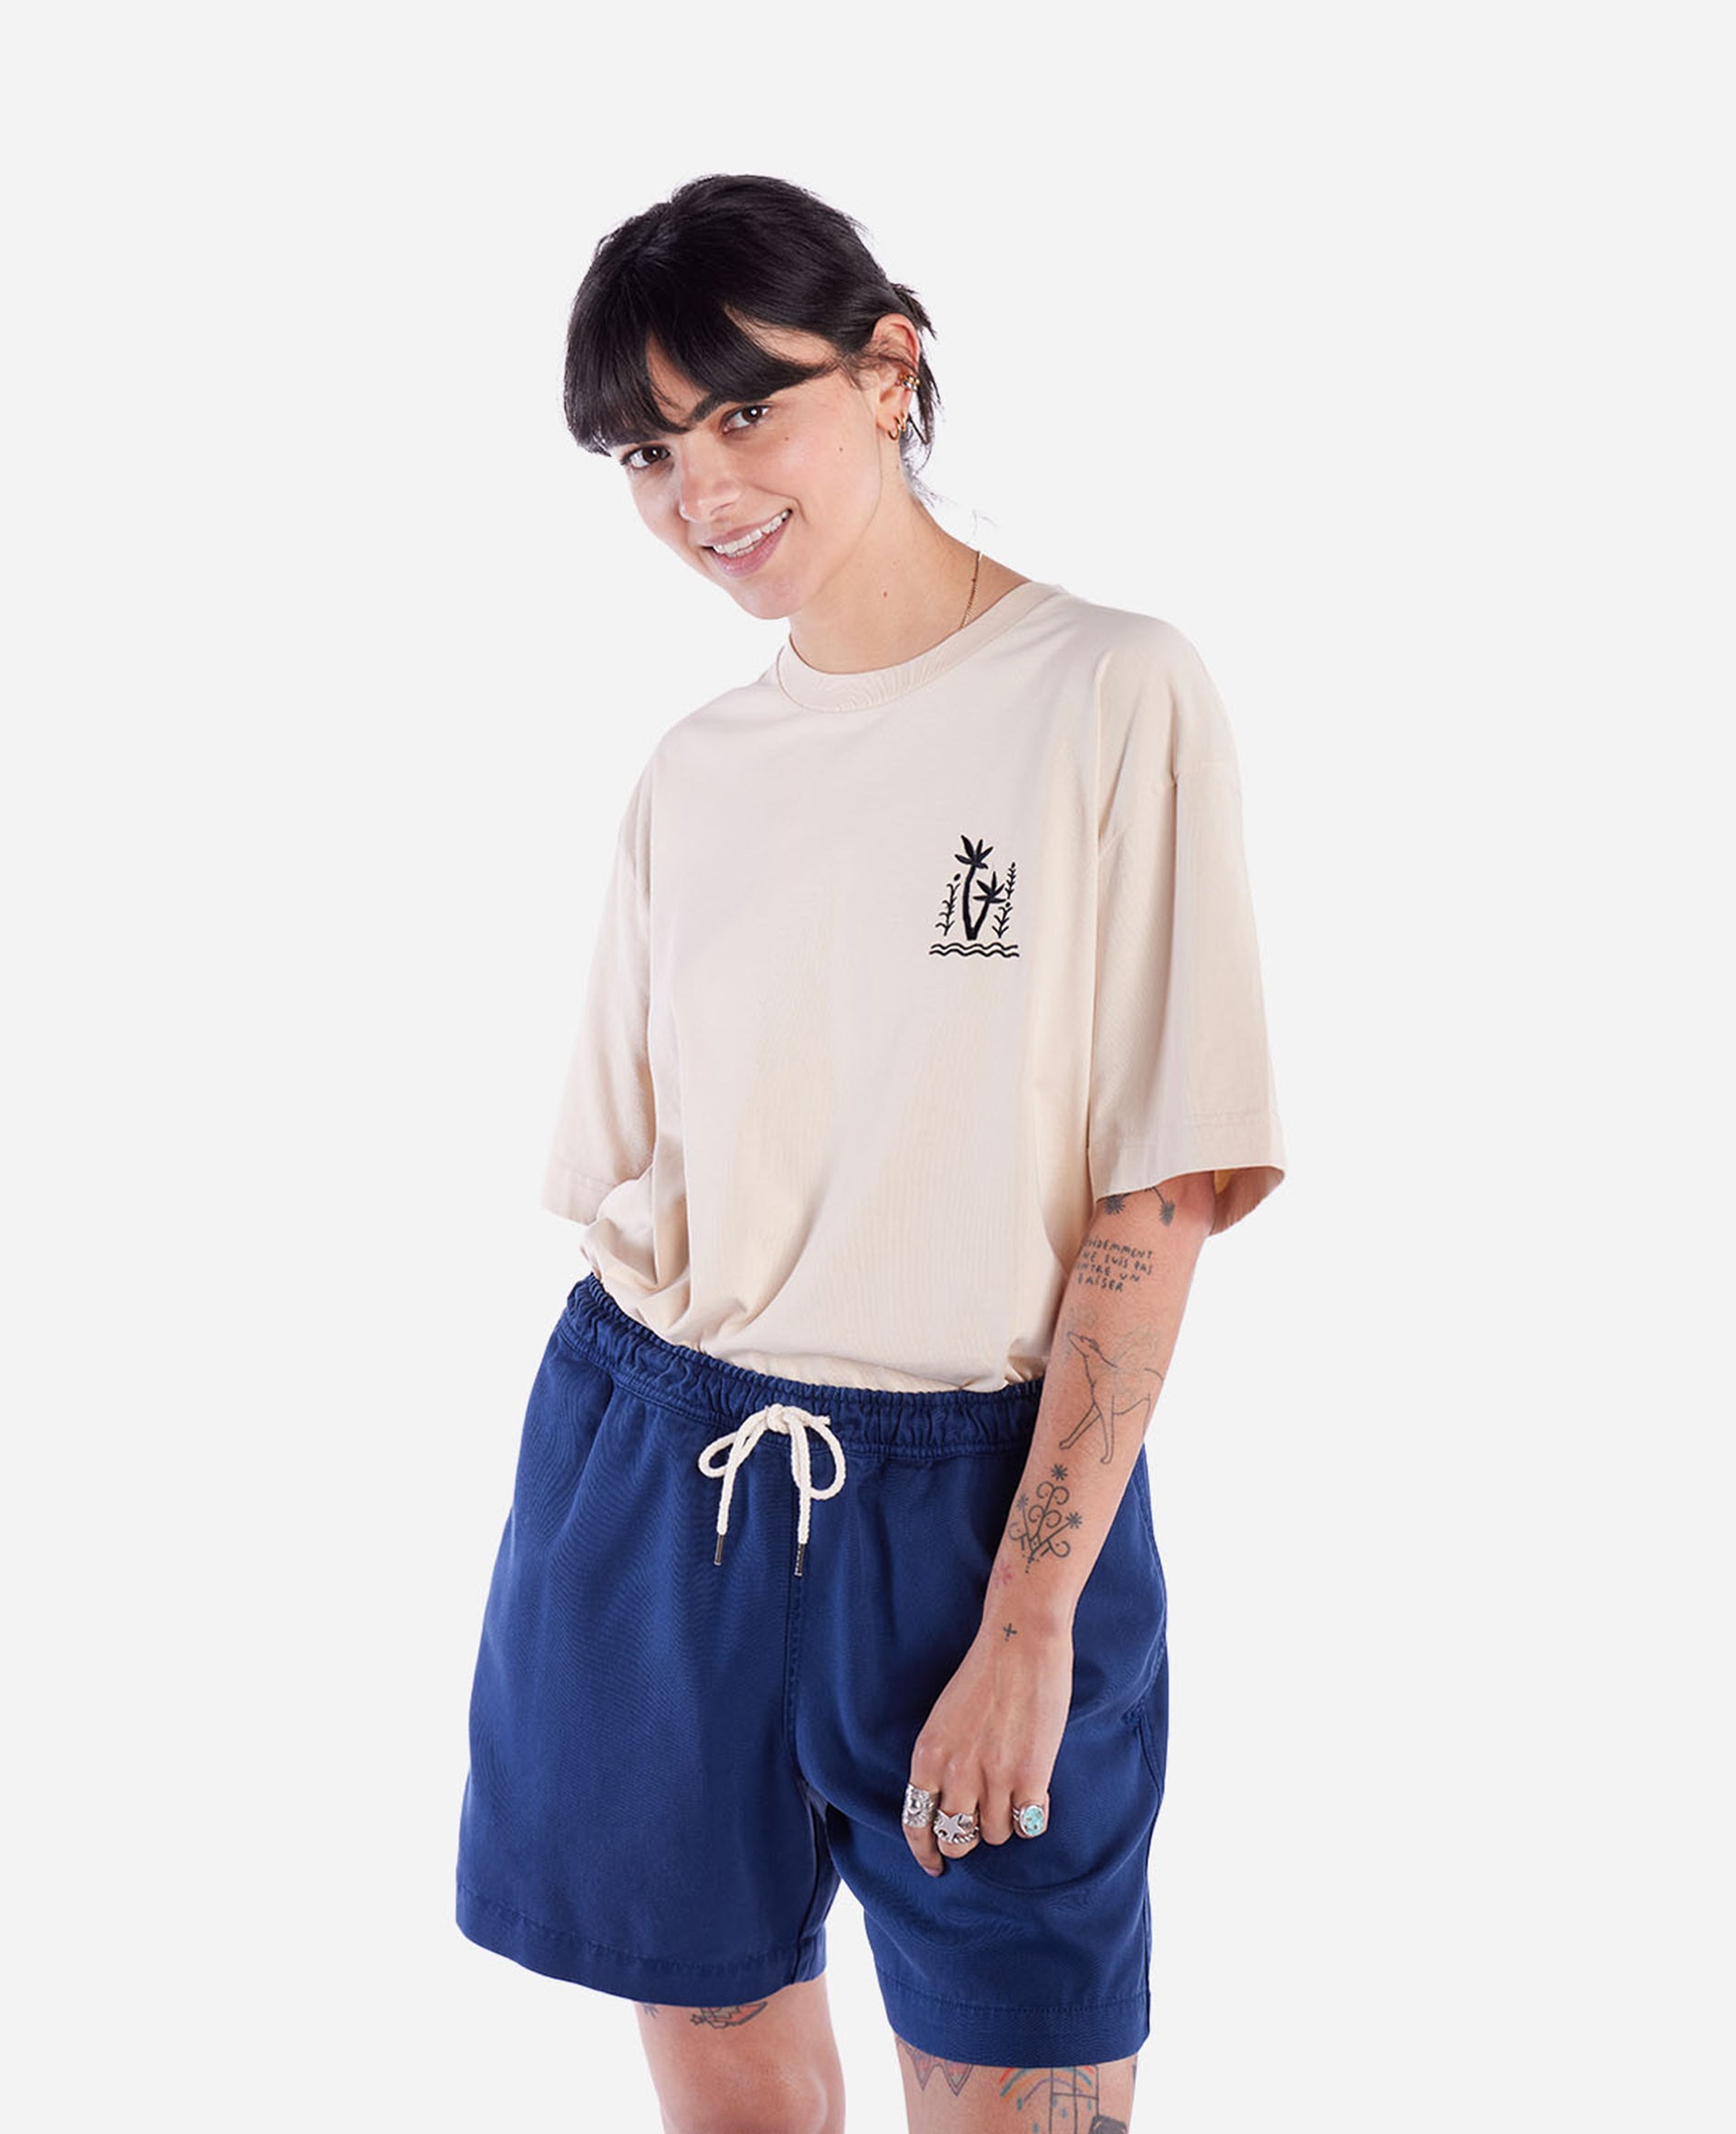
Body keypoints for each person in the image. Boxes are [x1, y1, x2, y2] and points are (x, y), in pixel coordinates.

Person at [454, 172, 1286, 2134]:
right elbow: (636, 1188)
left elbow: (1157, 1189)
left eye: (745, 410)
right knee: (726, 2075)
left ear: (889, 368)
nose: (700, 491)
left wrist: (1027, 1623)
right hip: (662, 1469)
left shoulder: (1108, 691)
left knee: (1026, 2081)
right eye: (647, 450)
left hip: (972, 1502)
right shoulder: (695, 774)